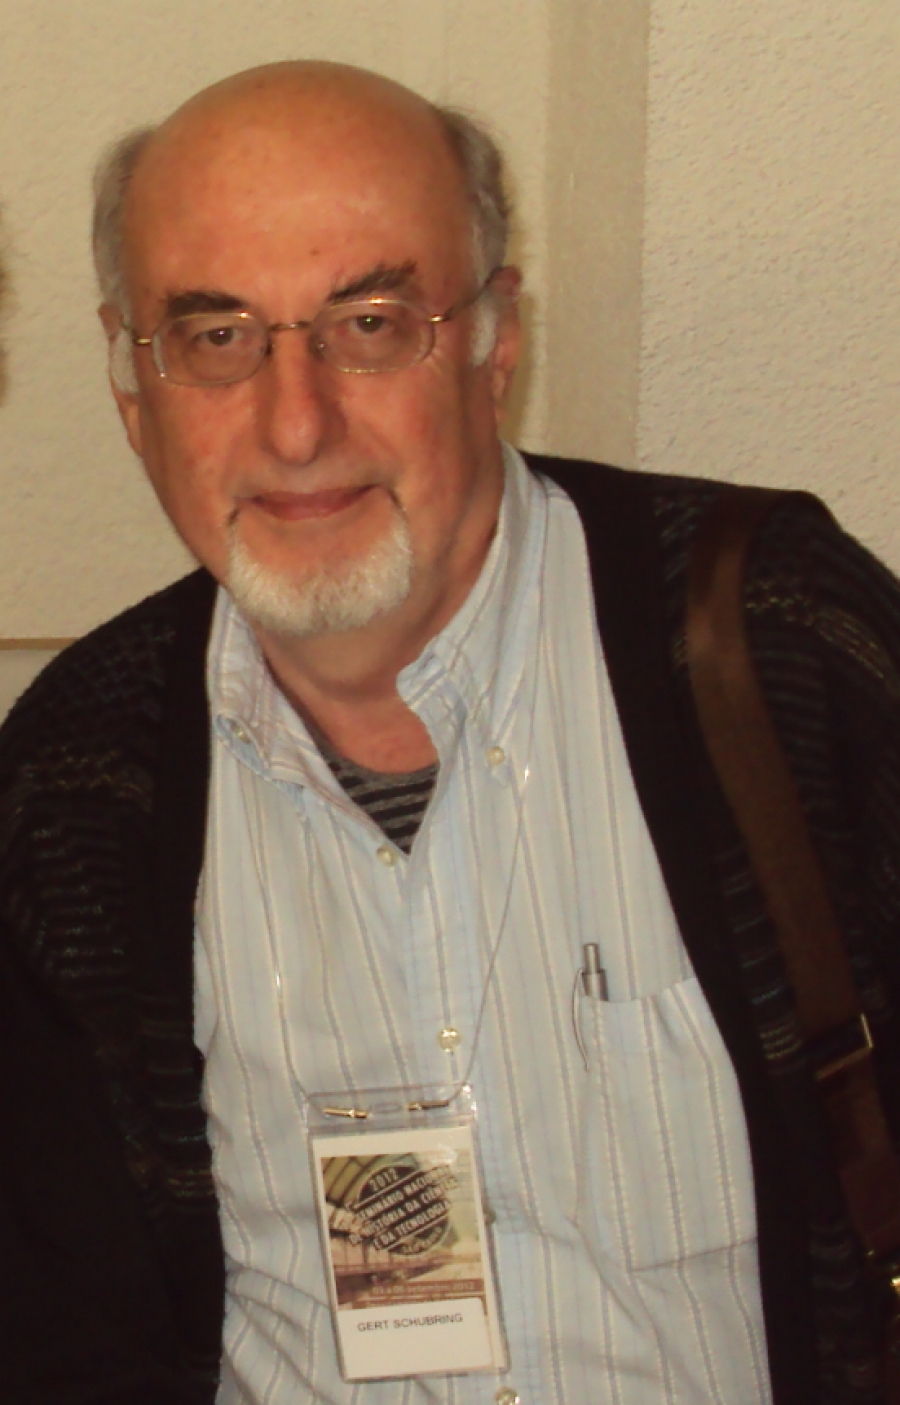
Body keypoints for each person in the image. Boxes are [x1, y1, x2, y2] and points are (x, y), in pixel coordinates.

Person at [2, 60, 900, 1405]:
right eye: (218, 337)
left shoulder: (779, 647)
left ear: (494, 341)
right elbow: (71, 1343)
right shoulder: (75, 785)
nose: (295, 424)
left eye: (369, 324)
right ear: (136, 389)